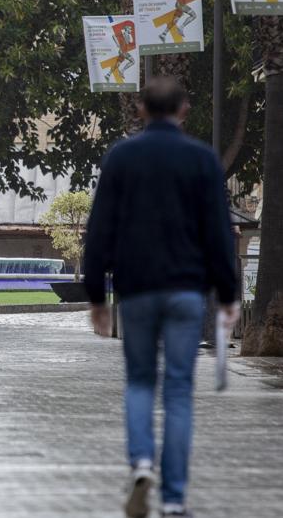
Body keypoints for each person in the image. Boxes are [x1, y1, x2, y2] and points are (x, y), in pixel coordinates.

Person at [82, 77, 240, 518]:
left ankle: (141, 462)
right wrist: (228, 294)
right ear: (184, 110)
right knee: (178, 390)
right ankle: (173, 500)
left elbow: (99, 232)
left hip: (136, 292)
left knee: (138, 381)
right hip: (187, 292)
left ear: (140, 109)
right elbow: (217, 235)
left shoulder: (120, 157)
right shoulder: (202, 160)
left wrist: (97, 297)